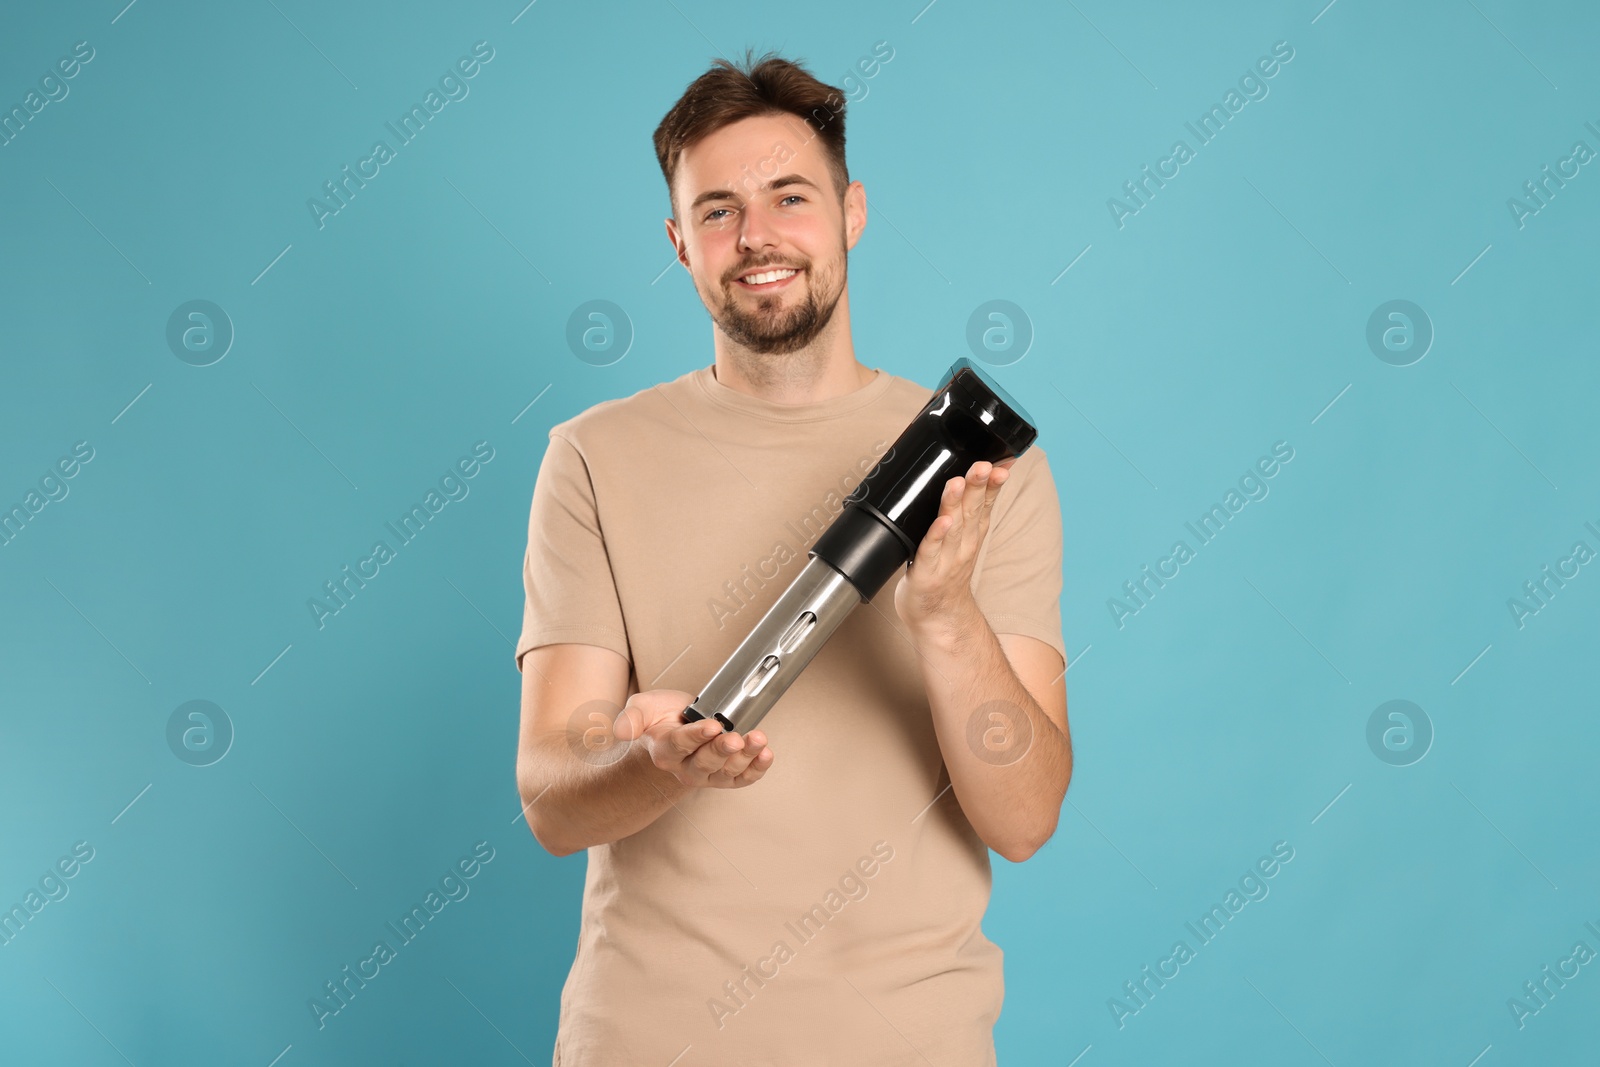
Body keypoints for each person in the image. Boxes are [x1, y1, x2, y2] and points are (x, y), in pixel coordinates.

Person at [514, 48, 1073, 1067]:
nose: (756, 236)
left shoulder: (984, 477)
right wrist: (648, 758)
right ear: (679, 243)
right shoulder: (593, 457)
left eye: (788, 196)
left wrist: (946, 617)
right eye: (718, 210)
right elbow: (552, 794)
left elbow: (1025, 816)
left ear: (851, 211)